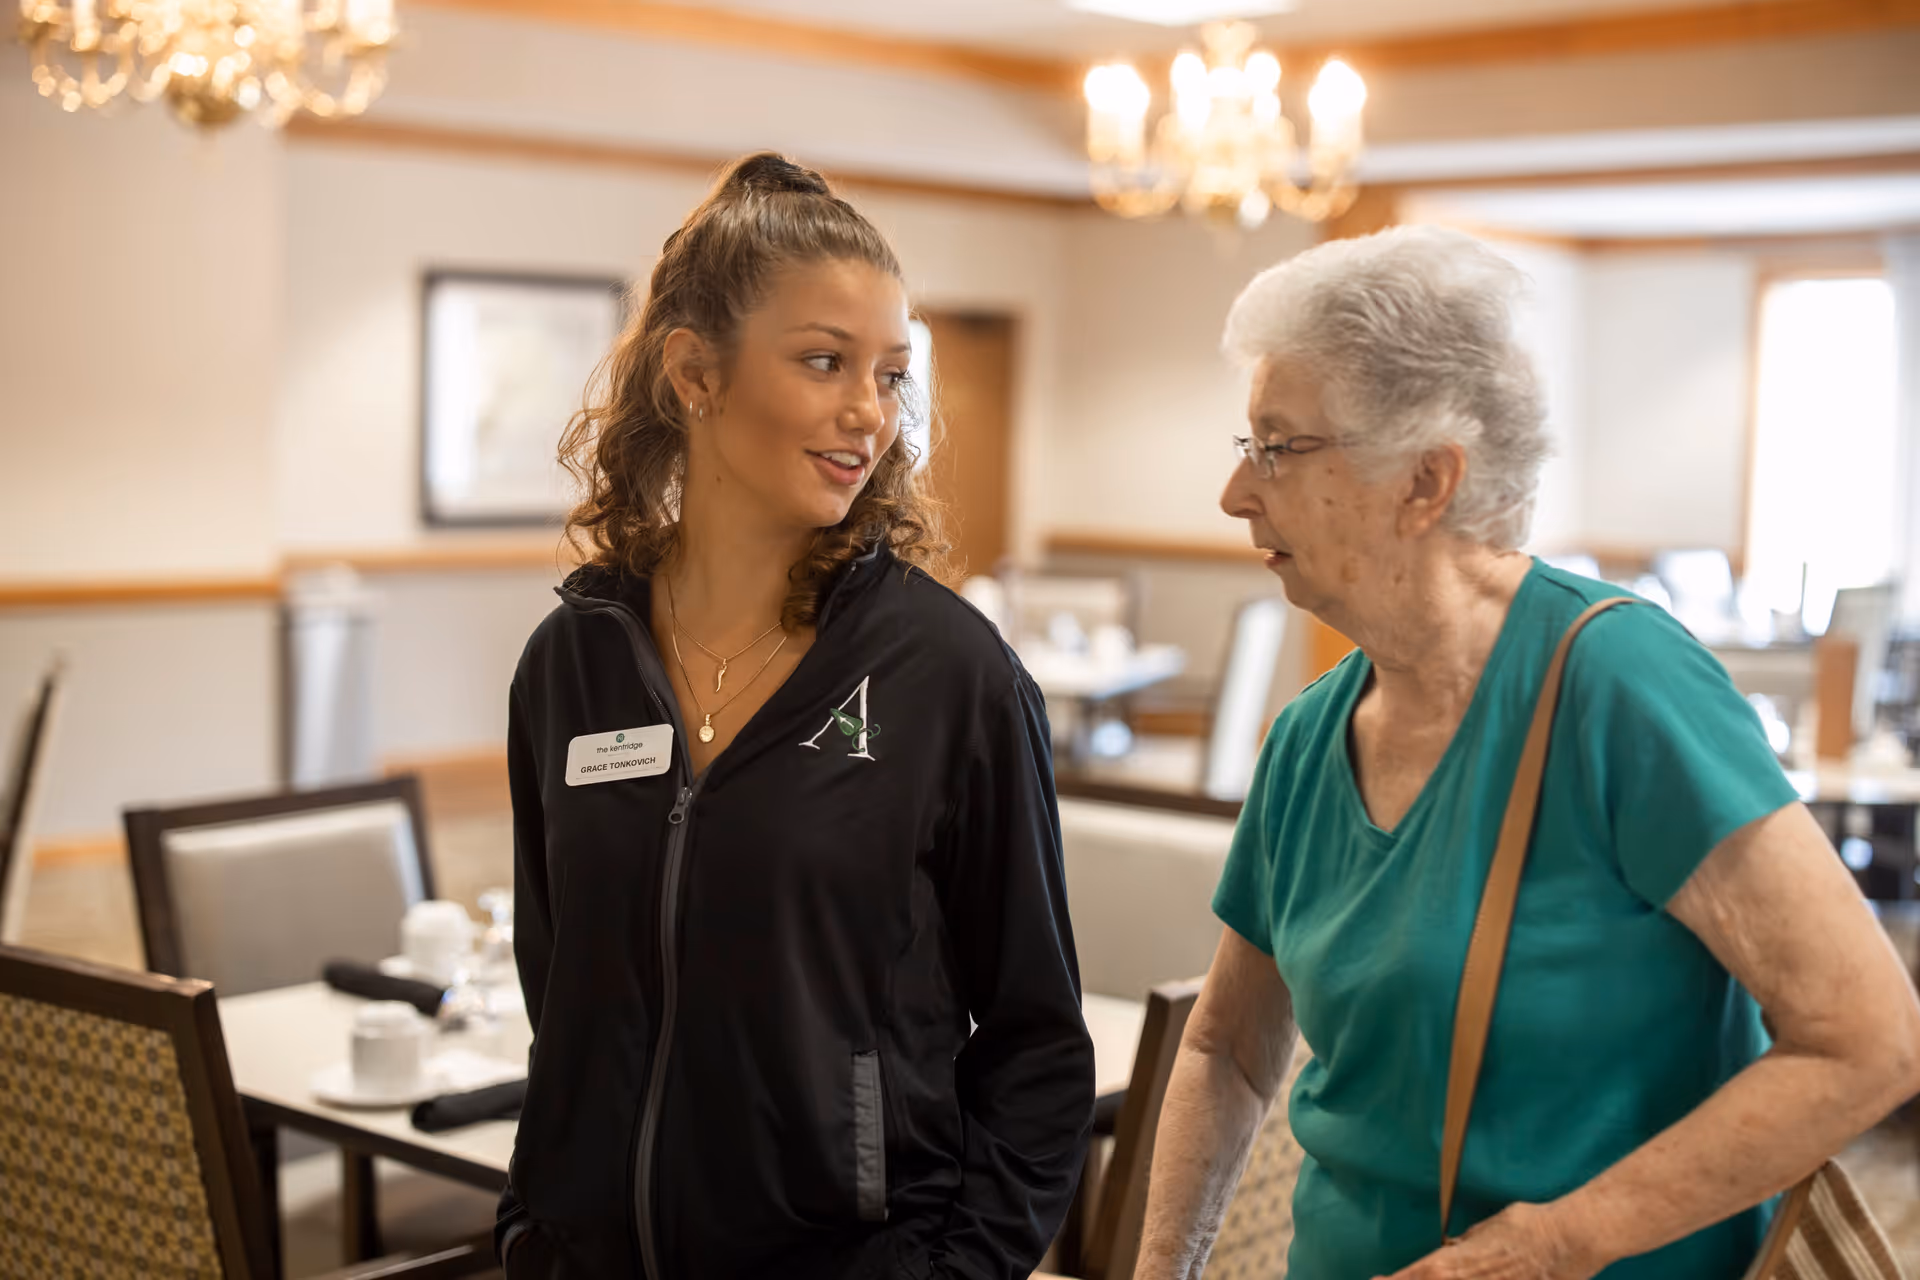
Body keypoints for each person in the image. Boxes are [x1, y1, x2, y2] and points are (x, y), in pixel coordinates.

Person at [1137, 225, 1920, 1279]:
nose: (1238, 494)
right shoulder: (1308, 735)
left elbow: (1868, 1035)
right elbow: (1226, 1046)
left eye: (1278, 448)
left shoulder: (1620, 685)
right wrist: (1164, 1270)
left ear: (1425, 480)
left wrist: (1554, 1244)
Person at [496, 153, 1092, 1279]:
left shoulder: (951, 674)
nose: (869, 414)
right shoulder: (572, 661)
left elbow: (1039, 1048)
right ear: (693, 374)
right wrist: (542, 1221)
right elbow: (559, 987)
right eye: (825, 362)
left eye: (891, 374)